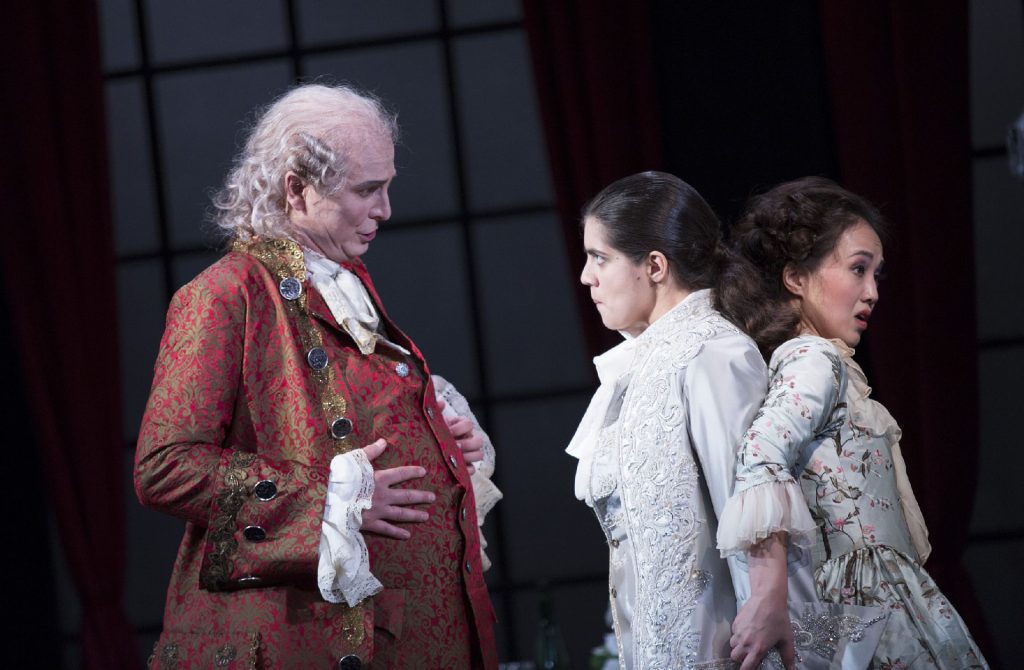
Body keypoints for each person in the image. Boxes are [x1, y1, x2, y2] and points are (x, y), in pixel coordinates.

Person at [134, 83, 501, 669]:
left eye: (387, 187)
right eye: (367, 191)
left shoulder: (342, 283)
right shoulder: (225, 295)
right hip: (302, 639)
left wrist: (447, 442)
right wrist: (332, 502)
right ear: (296, 189)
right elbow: (165, 466)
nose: (385, 210)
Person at [716, 176, 989, 669]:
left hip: (857, 601)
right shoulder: (815, 360)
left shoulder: (806, 362)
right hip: (864, 604)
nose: (872, 292)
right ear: (795, 277)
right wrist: (768, 592)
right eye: (858, 269)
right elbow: (760, 453)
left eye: (876, 275)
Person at [566, 171, 770, 668]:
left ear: (654, 265)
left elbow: (751, 512)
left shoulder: (712, 353)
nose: (586, 277)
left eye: (601, 258)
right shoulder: (641, 363)